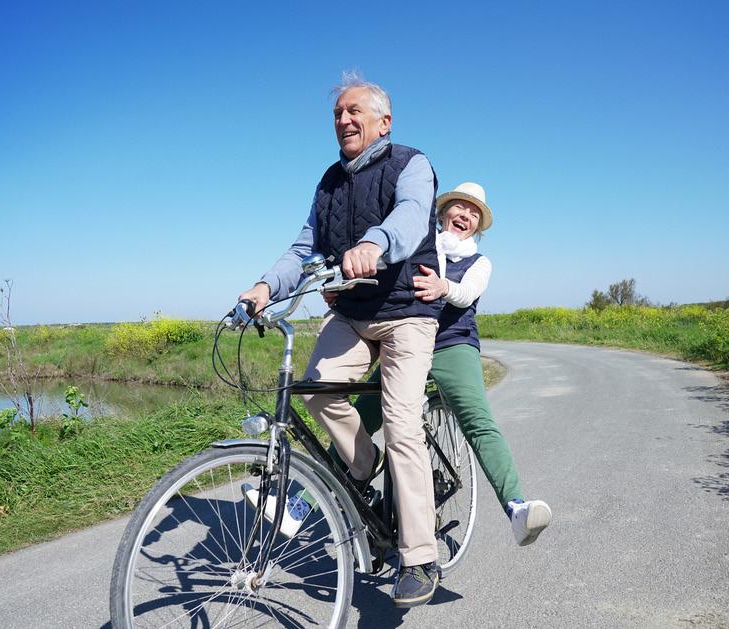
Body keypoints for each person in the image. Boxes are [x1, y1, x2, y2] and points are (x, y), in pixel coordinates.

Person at [236, 71, 442, 608]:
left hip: (405, 312)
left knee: (401, 422)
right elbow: (305, 245)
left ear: (384, 121)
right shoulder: (329, 180)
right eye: (337, 114)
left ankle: (419, 555)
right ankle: (360, 461)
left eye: (355, 112)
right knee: (318, 388)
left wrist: (374, 244)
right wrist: (264, 285)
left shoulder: (412, 164)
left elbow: (412, 215)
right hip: (351, 313)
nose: (344, 120)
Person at [290, 182, 553, 547]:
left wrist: (444, 287)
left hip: (449, 344)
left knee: (477, 420)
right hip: (407, 344)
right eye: (459, 207)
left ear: (478, 225)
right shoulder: (414, 245)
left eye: (474, 212)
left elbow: (466, 292)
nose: (465, 214)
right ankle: (302, 504)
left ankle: (517, 508)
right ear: (443, 213)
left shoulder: (479, 262)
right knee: (363, 415)